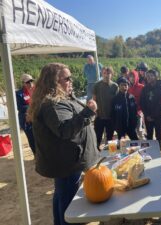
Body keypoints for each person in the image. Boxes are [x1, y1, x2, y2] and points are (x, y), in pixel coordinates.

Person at [28, 63, 100, 225]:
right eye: (67, 78)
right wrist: (89, 112)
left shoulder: (61, 99)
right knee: (70, 206)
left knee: (62, 197)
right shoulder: (53, 104)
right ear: (53, 81)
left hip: (68, 161)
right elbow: (65, 129)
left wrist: (87, 112)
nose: (71, 81)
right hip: (67, 163)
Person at [93, 66, 118, 149]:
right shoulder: (97, 85)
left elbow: (117, 103)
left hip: (111, 117)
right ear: (102, 74)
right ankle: (96, 155)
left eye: (108, 73)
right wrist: (95, 113)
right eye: (104, 73)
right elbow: (94, 100)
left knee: (110, 139)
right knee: (97, 138)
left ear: (112, 74)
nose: (106, 75)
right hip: (99, 116)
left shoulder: (115, 86)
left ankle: (110, 156)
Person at [140, 69, 161, 149]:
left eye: (151, 75)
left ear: (155, 77)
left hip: (158, 117)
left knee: (158, 135)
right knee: (149, 135)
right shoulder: (145, 89)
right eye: (147, 76)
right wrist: (147, 115)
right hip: (148, 117)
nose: (149, 77)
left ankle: (158, 151)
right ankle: (150, 151)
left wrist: (154, 116)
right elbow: (142, 103)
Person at [16, 73, 36, 154]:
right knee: (31, 138)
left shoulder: (37, 91)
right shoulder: (19, 94)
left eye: (31, 81)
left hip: (36, 117)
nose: (30, 83)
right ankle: (36, 155)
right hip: (26, 119)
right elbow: (20, 108)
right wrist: (32, 106)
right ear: (23, 83)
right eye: (28, 82)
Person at [128, 70, 145, 139]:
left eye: (133, 76)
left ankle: (144, 143)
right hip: (130, 113)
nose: (132, 78)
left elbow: (144, 100)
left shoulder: (142, 87)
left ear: (137, 77)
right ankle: (135, 145)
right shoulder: (127, 87)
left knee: (139, 130)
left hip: (139, 112)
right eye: (130, 76)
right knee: (132, 130)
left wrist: (141, 111)